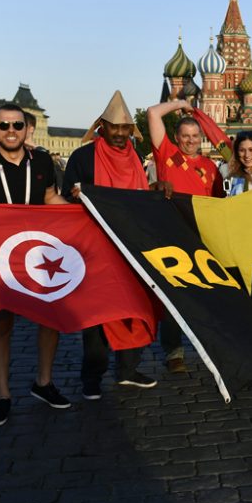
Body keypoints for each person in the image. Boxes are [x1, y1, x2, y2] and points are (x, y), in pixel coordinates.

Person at [0, 103, 71, 426]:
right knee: (1, 326)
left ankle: (43, 383)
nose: (10, 131)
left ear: (26, 129)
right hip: (1, 258)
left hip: (37, 255)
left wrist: (81, 213)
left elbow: (50, 197)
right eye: (3, 125)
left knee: (50, 317)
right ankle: (3, 395)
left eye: (16, 125)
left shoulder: (43, 160)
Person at [62, 91, 164, 399]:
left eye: (125, 129)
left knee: (133, 306)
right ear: (102, 127)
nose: (120, 134)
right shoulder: (83, 157)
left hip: (130, 245)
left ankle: (127, 369)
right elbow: (68, 196)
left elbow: (141, 197)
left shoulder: (134, 156)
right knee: (97, 314)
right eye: (114, 127)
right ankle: (92, 377)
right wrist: (79, 195)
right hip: (95, 246)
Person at [147, 98, 225, 372]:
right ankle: (174, 351)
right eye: (185, 136)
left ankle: (211, 348)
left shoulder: (211, 166)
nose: (190, 141)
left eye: (195, 136)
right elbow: (153, 113)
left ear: (201, 138)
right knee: (172, 296)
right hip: (170, 235)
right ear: (176, 137)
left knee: (208, 296)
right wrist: (182, 104)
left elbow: (219, 205)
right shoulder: (167, 154)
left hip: (201, 238)